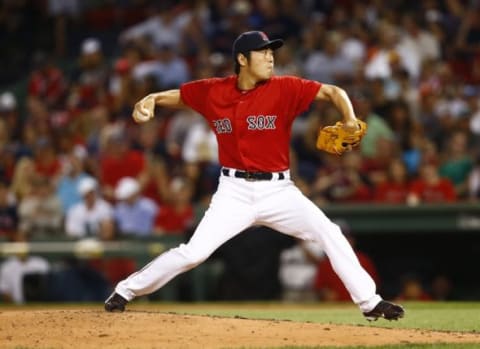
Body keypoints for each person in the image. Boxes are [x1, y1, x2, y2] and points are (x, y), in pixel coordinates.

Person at [105, 30, 405, 321]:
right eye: (263, 52)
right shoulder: (213, 91)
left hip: (279, 191)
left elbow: (333, 92)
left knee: (330, 233)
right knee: (193, 253)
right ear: (243, 59)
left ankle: (370, 302)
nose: (270, 58)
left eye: (271, 52)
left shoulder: (285, 88)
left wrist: (349, 117)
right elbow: (179, 96)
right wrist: (151, 99)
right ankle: (124, 291)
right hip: (233, 192)